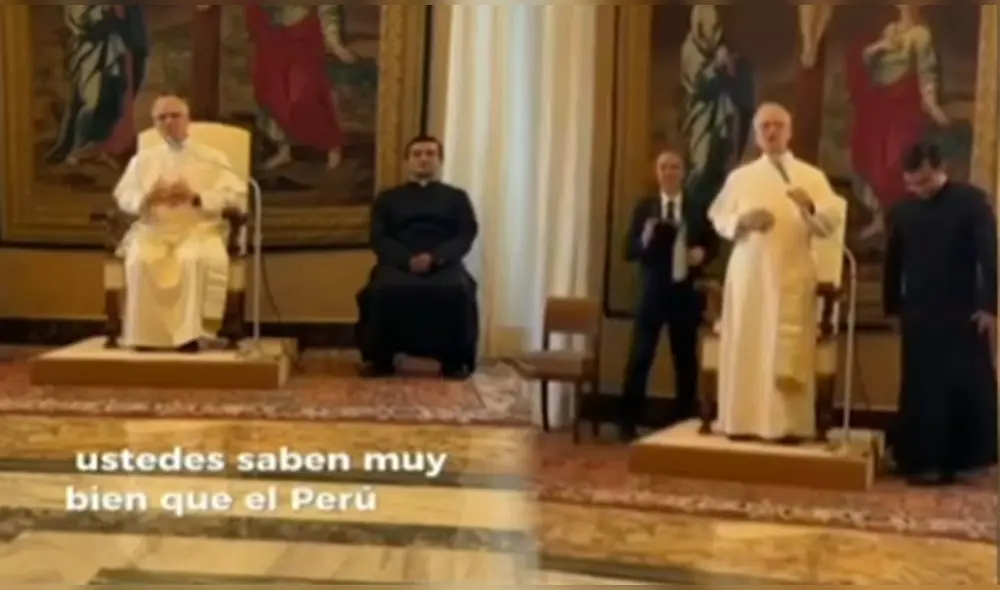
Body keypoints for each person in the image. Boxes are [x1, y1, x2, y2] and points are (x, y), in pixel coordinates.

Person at [707, 103, 845, 442]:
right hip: (749, 275)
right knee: (749, 343)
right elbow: (718, 217)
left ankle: (787, 425)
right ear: (756, 134)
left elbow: (829, 220)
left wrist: (809, 208)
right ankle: (742, 421)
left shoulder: (811, 176)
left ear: (789, 131)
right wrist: (743, 222)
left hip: (792, 272)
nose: (771, 132)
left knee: (786, 346)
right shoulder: (740, 178)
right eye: (765, 126)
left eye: (778, 126)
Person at [883, 142, 998, 485]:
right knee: (921, 387)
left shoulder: (972, 202)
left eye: (925, 182)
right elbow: (893, 264)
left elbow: (989, 256)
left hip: (963, 312)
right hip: (918, 313)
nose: (919, 190)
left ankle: (965, 460)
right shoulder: (902, 211)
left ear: (941, 168)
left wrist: (990, 306)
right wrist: (891, 308)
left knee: (961, 385)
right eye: (912, 184)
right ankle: (921, 460)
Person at [113, 95, 246, 351]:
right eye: (161, 118)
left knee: (191, 260)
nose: (169, 122)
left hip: (197, 230)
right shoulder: (142, 160)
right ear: (155, 124)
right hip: (154, 231)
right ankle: (146, 336)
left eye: (175, 115)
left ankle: (189, 336)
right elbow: (124, 195)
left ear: (188, 120)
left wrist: (195, 197)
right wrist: (148, 197)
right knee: (140, 260)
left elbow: (236, 195)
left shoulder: (212, 157)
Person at [355, 136, 479, 378]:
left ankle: (455, 362)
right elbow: (378, 236)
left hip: (443, 264)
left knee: (458, 290)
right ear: (407, 161)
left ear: (440, 160)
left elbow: (466, 234)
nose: (424, 159)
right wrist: (406, 260)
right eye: (417, 154)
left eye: (430, 154)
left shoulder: (456, 198)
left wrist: (436, 257)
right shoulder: (388, 199)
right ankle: (380, 360)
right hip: (398, 263)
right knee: (380, 290)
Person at [619, 148, 718, 442]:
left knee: (686, 361)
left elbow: (714, 245)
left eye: (675, 167)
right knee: (639, 358)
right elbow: (628, 250)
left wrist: (703, 253)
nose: (670, 172)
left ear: (683, 172)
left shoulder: (697, 207)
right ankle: (628, 423)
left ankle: (684, 422)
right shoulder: (645, 208)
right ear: (657, 173)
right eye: (664, 167)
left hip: (685, 295)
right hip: (651, 295)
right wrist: (645, 238)